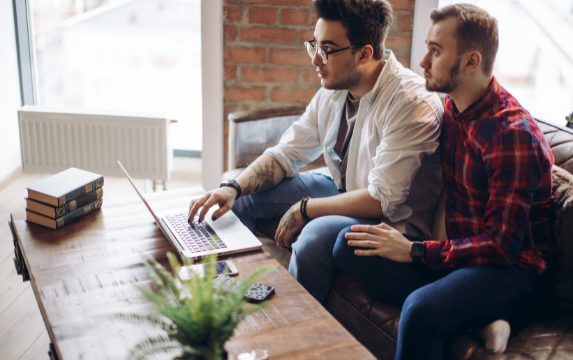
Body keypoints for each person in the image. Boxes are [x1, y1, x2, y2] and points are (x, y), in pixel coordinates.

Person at [334, 4, 555, 359]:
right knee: (350, 245)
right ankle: (478, 319)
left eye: (435, 51)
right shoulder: (453, 108)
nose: (422, 61)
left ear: (470, 62)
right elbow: (447, 194)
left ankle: (477, 309)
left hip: (514, 272)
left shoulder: (512, 134)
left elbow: (501, 247)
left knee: (421, 311)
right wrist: (420, 246)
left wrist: (414, 251)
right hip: (463, 256)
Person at [188, 0, 444, 302]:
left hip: (390, 221)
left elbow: (381, 199)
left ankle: (294, 329)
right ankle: (215, 297)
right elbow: (287, 152)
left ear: (364, 54)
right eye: (314, 46)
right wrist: (232, 188)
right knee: (241, 199)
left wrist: (304, 208)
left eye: (327, 50)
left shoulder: (410, 102)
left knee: (312, 238)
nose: (315, 60)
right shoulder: (334, 91)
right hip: (344, 188)